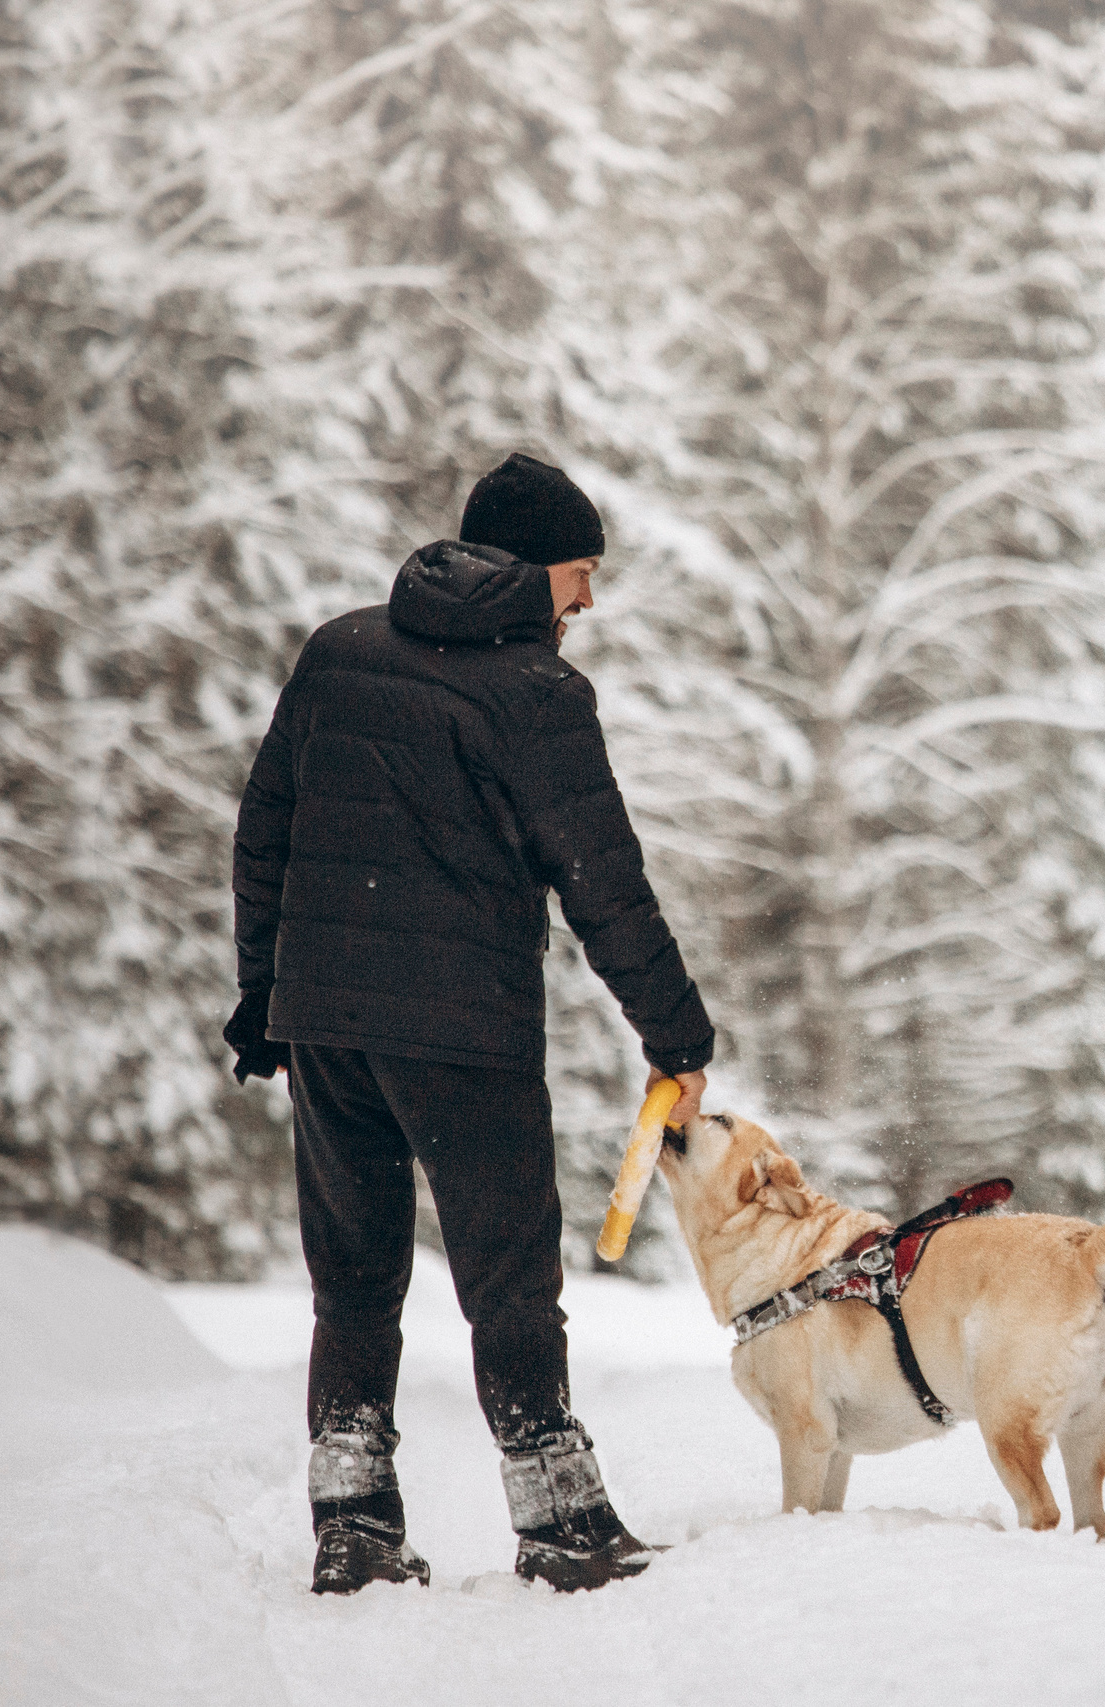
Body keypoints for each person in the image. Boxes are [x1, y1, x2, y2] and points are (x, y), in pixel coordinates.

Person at [227, 453, 714, 1595]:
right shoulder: (539, 697)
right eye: (582, 574)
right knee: (506, 1279)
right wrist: (677, 1037)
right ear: (536, 570)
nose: (588, 601)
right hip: (463, 1034)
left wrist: (265, 996)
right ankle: (562, 1525)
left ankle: (353, 1524)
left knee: (351, 1274)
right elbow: (605, 881)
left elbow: (265, 831)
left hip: (329, 1021)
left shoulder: (339, 652)